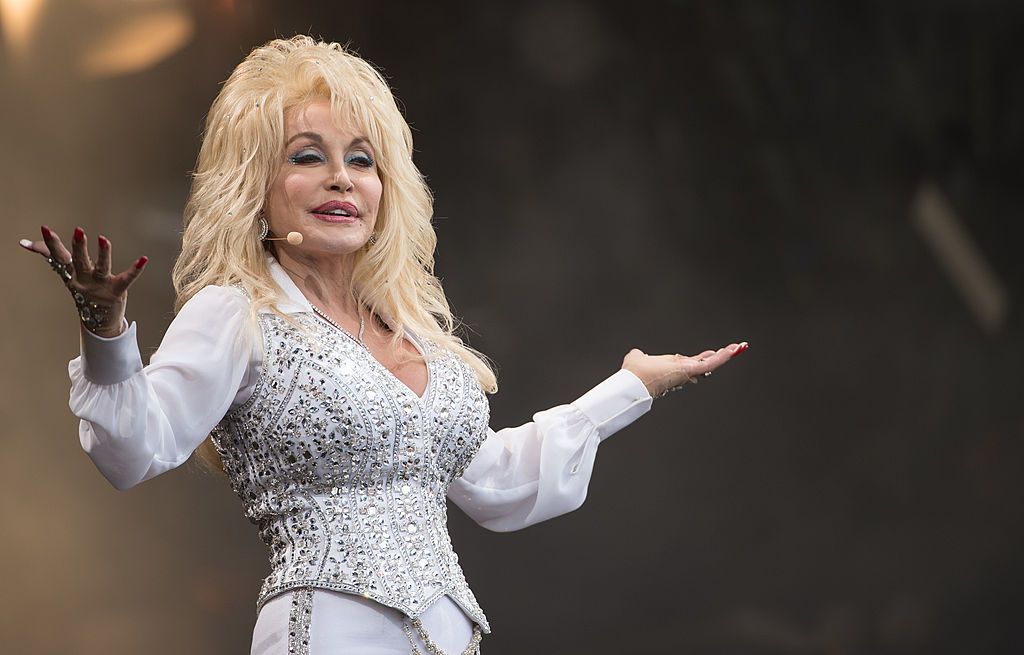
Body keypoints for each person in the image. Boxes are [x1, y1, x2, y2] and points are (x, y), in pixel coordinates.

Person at [19, 35, 748, 655]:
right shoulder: (236, 311)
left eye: (362, 159)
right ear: (256, 185)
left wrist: (633, 386)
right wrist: (105, 329)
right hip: (329, 631)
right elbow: (134, 447)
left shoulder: (412, 328)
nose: (340, 177)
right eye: (307, 155)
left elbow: (494, 481)